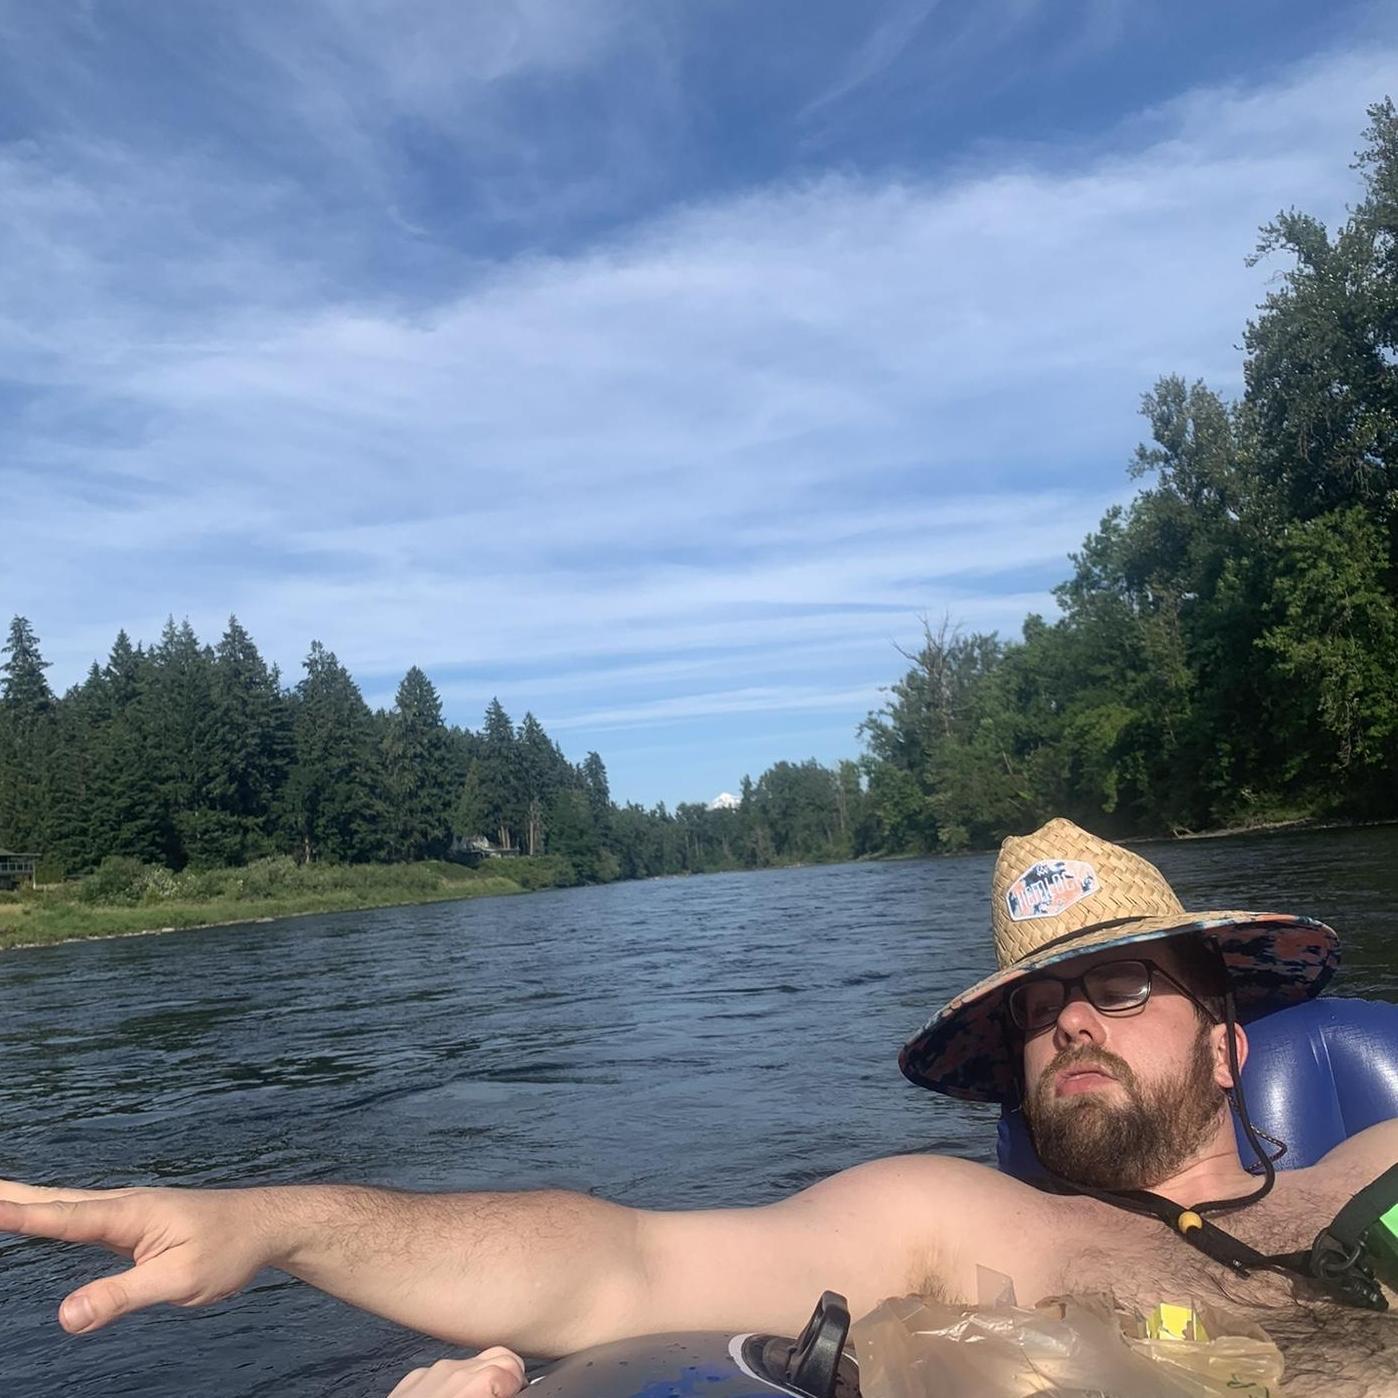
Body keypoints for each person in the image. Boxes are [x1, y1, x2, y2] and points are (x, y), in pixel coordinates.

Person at [2, 820, 1394, 1395]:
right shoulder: (964, 1221)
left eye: (1122, 986)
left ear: (1226, 1044)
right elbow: (626, 1260)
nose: (1068, 1019)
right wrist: (284, 1218)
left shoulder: (1368, 1168)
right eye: (1036, 1010)